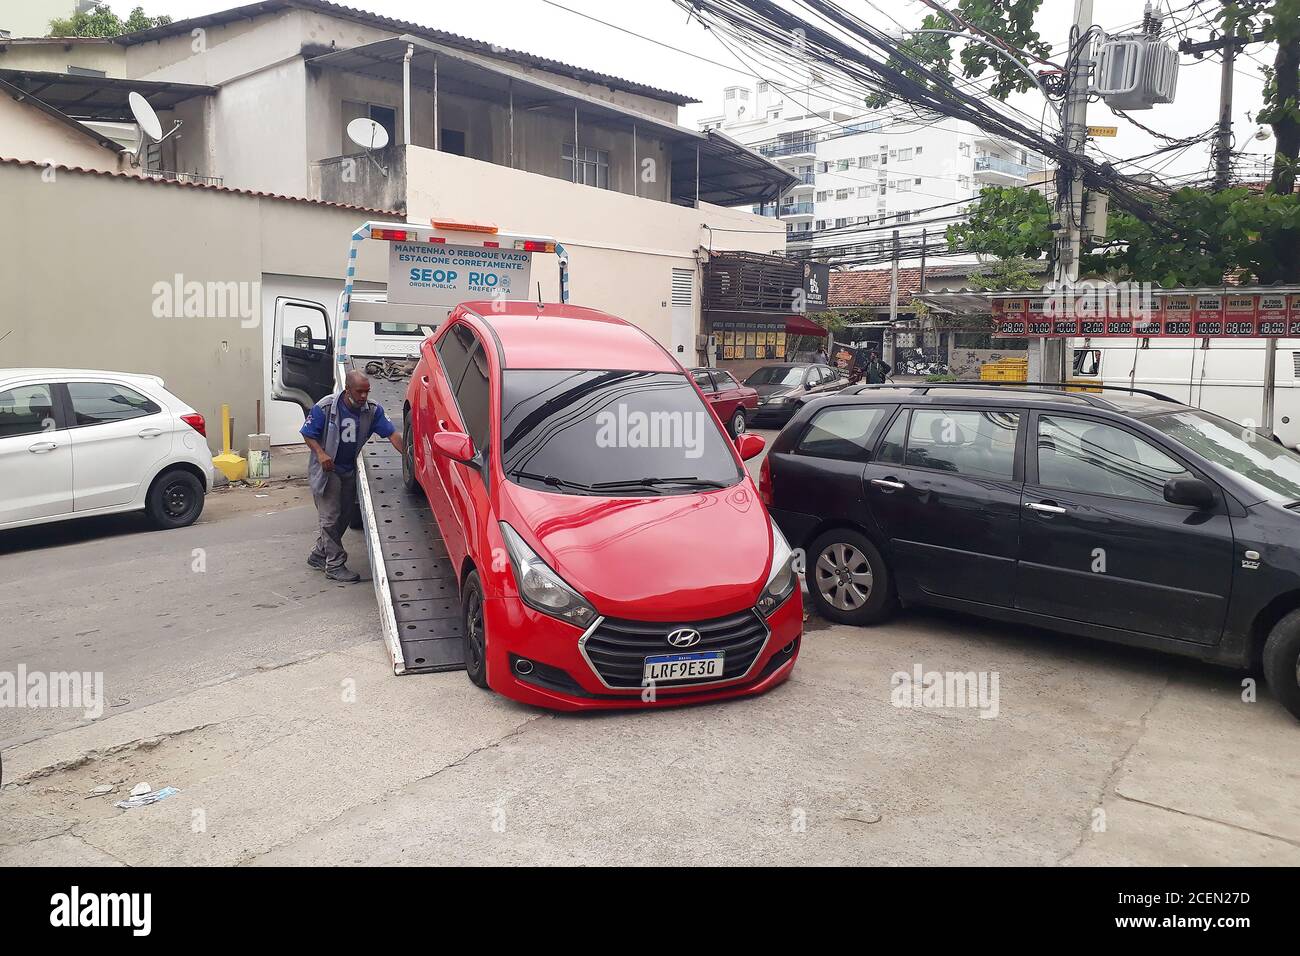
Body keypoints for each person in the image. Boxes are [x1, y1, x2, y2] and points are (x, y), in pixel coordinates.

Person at [300, 370, 404, 582]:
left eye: (367, 391)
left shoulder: (372, 411)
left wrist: (410, 457)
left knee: (345, 516)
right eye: (359, 392)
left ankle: (320, 553)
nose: (364, 396)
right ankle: (334, 565)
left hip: (348, 470)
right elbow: (307, 433)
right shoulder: (326, 407)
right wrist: (321, 453)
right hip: (328, 470)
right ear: (347, 390)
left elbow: (392, 434)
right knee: (329, 518)